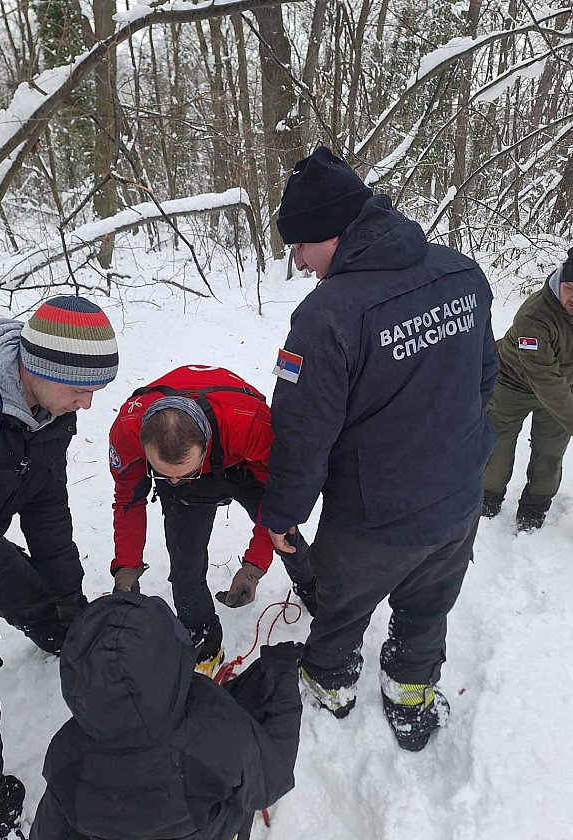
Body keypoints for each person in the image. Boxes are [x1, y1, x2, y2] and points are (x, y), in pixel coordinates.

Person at [261, 146, 498, 751]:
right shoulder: (461, 273)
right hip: (457, 499)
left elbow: (302, 433)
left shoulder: (328, 315)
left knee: (341, 607)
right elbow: (484, 379)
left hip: (374, 515)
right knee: (427, 607)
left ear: (329, 235)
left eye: (300, 245)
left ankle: (332, 682)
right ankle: (411, 692)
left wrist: (283, 516)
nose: (297, 259)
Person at [0, 295, 119, 837]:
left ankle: (65, 635)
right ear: (35, 367)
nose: (88, 405)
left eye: (96, 390)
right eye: (79, 389)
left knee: (47, 601)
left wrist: (70, 592)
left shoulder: (49, 409)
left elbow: (45, 504)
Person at [30, 593, 302, 840]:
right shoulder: (217, 728)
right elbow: (270, 779)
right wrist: (282, 670)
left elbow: (48, 830)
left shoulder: (64, 754)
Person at [108, 365, 316, 677]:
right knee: (185, 566)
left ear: (205, 445)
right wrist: (127, 566)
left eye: (185, 473)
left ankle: (313, 586)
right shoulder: (127, 430)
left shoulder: (252, 426)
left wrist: (253, 568)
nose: (176, 483)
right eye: (166, 474)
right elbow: (128, 499)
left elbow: (278, 501)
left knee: (283, 534)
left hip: (242, 460)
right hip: (207, 454)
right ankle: (203, 639)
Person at [482, 248, 573, 531]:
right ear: (560, 282)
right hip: (512, 383)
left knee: (550, 451)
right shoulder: (534, 317)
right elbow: (544, 379)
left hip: (563, 384)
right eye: (571, 288)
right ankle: (488, 498)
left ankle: (535, 507)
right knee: (497, 447)